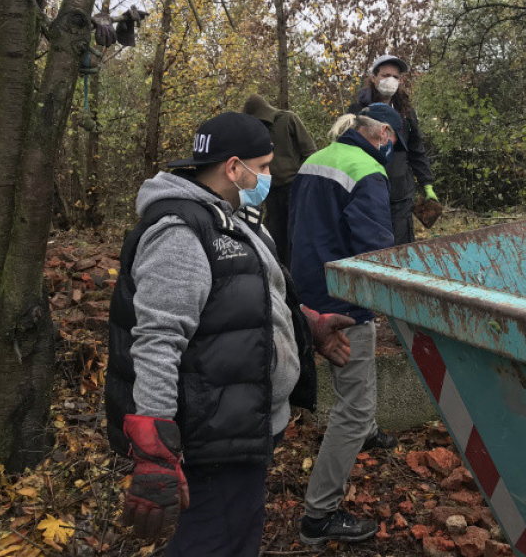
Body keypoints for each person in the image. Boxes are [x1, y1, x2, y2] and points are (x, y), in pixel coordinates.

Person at [105, 112, 355, 556]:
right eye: (262, 167)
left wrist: (308, 325)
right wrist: (155, 450)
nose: (267, 177)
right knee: (214, 541)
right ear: (233, 167)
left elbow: (256, 294)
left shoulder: (233, 218)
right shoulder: (180, 232)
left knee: (236, 531)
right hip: (213, 431)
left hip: (243, 419)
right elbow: (158, 340)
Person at [288, 103, 408, 545]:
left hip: (306, 295)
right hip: (342, 304)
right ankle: (318, 516)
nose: (395, 150)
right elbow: (375, 251)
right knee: (353, 407)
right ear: (383, 133)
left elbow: (296, 228)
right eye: (395, 141)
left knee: (357, 397)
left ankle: (369, 430)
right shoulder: (368, 172)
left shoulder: (315, 159)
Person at [349, 54, 438, 245]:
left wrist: (427, 183)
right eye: (385, 75)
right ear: (373, 78)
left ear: (401, 80)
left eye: (395, 77)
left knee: (401, 245)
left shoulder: (405, 112)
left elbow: (416, 149)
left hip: (401, 192)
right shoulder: (357, 111)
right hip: (368, 189)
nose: (390, 80)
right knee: (373, 244)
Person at [243, 94, 318, 267]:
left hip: (294, 186)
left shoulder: (288, 119)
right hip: (271, 190)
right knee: (276, 237)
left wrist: (305, 182)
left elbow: (310, 151)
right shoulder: (254, 131)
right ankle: (281, 275)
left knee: (297, 235)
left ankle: (297, 276)